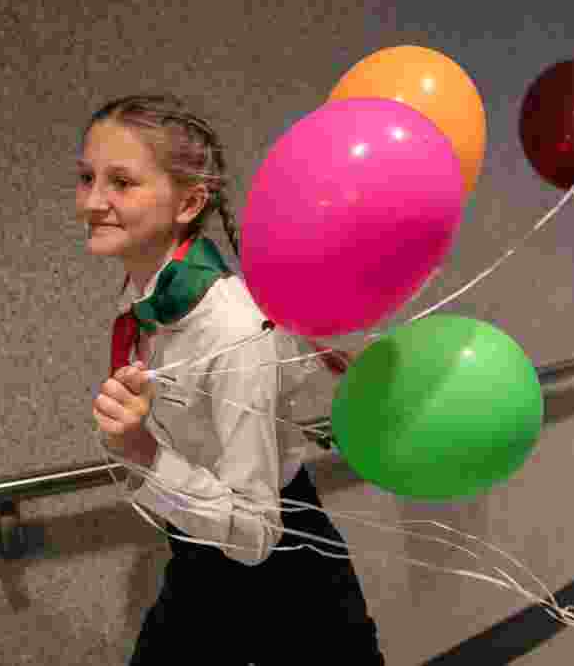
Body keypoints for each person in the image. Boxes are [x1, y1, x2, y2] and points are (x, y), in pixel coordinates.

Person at [79, 93, 386, 665]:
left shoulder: (232, 328)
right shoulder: (146, 301)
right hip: (200, 555)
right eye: (86, 178)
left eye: (121, 182)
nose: (93, 202)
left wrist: (142, 450)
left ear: (189, 202)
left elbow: (255, 532)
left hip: (288, 587)